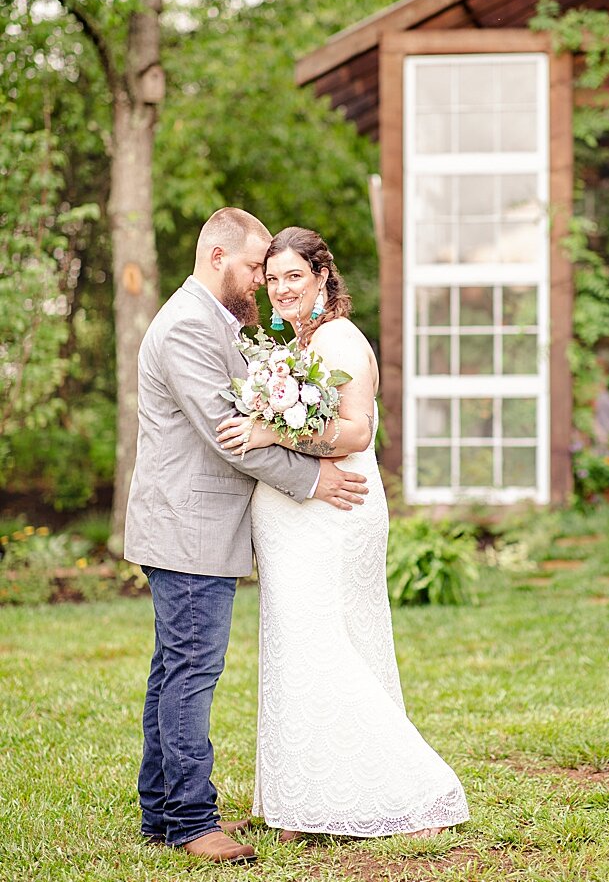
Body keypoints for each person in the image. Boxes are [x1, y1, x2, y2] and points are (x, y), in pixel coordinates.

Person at [125, 207, 369, 863]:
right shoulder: (186, 329)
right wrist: (315, 479)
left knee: (175, 670)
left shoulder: (216, 324)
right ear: (217, 258)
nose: (261, 282)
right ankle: (189, 821)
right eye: (254, 267)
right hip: (188, 528)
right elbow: (232, 438)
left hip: (191, 526)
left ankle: (161, 810)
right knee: (191, 673)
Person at [215, 227, 469, 840]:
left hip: (332, 514)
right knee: (303, 649)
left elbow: (354, 431)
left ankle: (414, 791)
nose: (280, 289)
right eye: (273, 279)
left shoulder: (338, 337)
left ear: (323, 276)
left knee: (323, 647)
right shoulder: (299, 340)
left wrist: (273, 432)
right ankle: (309, 799)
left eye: (293, 276)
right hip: (297, 519)